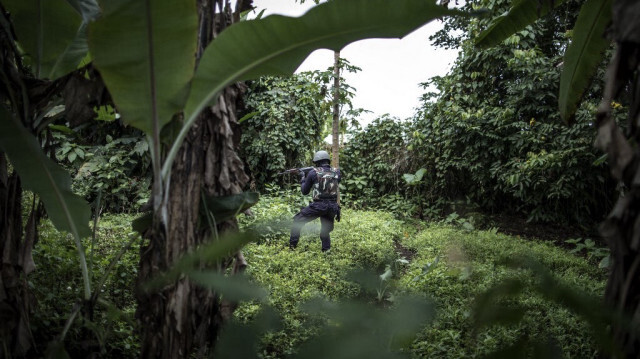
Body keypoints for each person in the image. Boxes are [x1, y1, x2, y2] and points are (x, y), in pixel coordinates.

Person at [289, 150, 341, 252]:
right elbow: (332, 182)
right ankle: (326, 251)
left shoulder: (313, 173)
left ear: (316, 162)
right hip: (333, 207)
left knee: (297, 221)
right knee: (325, 230)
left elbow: (304, 191)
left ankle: (292, 248)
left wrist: (303, 177)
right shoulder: (337, 172)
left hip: (319, 205)